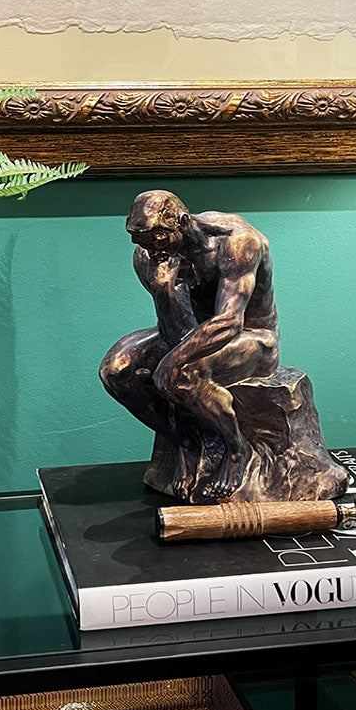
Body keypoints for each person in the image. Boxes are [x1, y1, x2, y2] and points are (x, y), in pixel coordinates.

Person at [100, 190, 280, 498]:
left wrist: (173, 361)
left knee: (183, 374)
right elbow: (178, 331)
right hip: (197, 332)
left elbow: (229, 322)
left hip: (252, 337)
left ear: (182, 223)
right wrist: (163, 291)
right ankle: (182, 441)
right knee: (115, 371)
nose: (148, 248)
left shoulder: (237, 242)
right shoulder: (149, 255)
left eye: (157, 238)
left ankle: (236, 449)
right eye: (138, 239)